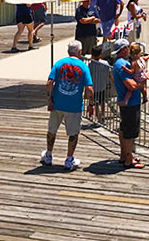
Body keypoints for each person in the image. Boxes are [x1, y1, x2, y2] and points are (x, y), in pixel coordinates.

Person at [43, 40, 93, 170]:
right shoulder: (83, 66)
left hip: (57, 103)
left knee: (52, 130)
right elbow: (89, 88)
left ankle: (48, 155)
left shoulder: (59, 63)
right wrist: (91, 104)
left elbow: (49, 83)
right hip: (74, 105)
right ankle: (69, 159)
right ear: (80, 52)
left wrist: (50, 99)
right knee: (73, 133)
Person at [113, 40, 145, 169]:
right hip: (131, 104)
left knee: (124, 129)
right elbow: (131, 85)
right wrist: (142, 84)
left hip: (126, 102)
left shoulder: (118, 63)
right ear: (124, 49)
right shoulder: (122, 65)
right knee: (129, 132)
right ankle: (128, 159)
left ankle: (124, 155)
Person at [87, 47, 113, 122]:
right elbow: (109, 73)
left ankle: (98, 117)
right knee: (102, 102)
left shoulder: (91, 64)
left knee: (96, 103)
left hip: (94, 87)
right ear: (101, 54)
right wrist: (112, 80)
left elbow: (90, 75)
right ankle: (103, 115)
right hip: (102, 86)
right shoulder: (105, 63)